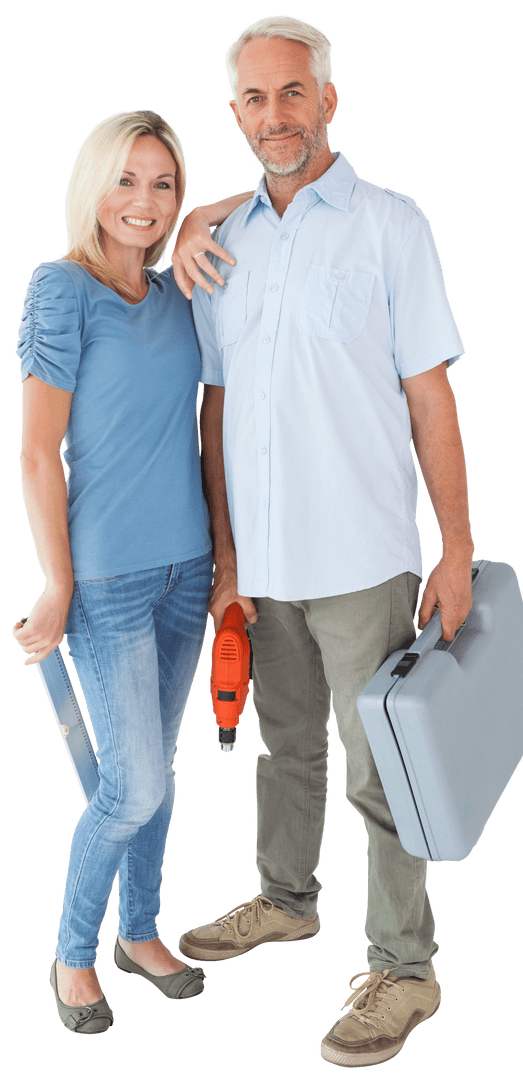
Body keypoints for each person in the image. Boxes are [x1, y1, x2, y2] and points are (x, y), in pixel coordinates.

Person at [171, 15, 474, 1069]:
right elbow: (214, 406)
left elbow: (430, 397)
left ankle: (406, 966)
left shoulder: (393, 224)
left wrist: (454, 550)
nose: (274, 116)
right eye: (253, 99)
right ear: (234, 113)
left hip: (362, 557)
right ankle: (286, 901)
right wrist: (223, 557)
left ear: (329, 99)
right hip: (261, 563)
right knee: (284, 751)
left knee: (380, 767)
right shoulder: (219, 244)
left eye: (292, 92)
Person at [12, 109, 249, 1035]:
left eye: (163, 185)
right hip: (105, 580)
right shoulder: (60, 290)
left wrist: (197, 224)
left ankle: (141, 932)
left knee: (161, 772)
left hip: (189, 573)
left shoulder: (179, 288)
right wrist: (57, 581)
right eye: (126, 180)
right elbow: (36, 456)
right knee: (131, 786)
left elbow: (269, 204)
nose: (143, 202)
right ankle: (73, 954)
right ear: (91, 187)